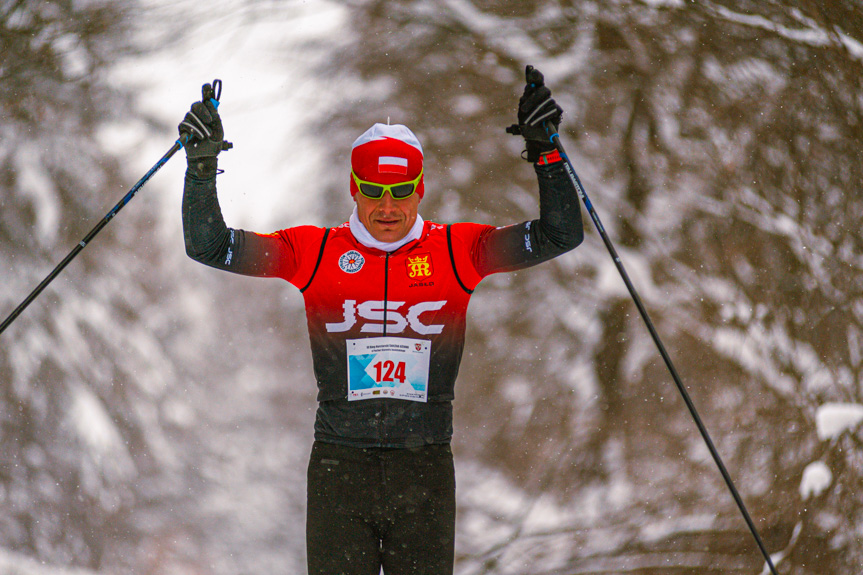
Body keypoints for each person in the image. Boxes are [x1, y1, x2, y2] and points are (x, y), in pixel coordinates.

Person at [178, 66, 584, 575]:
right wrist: (200, 165)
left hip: (425, 469)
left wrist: (547, 153)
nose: (387, 206)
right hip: (338, 469)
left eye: (401, 189)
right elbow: (210, 246)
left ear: (421, 187)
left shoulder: (460, 251)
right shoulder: (315, 252)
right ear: (353, 187)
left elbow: (560, 235)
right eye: (373, 190)